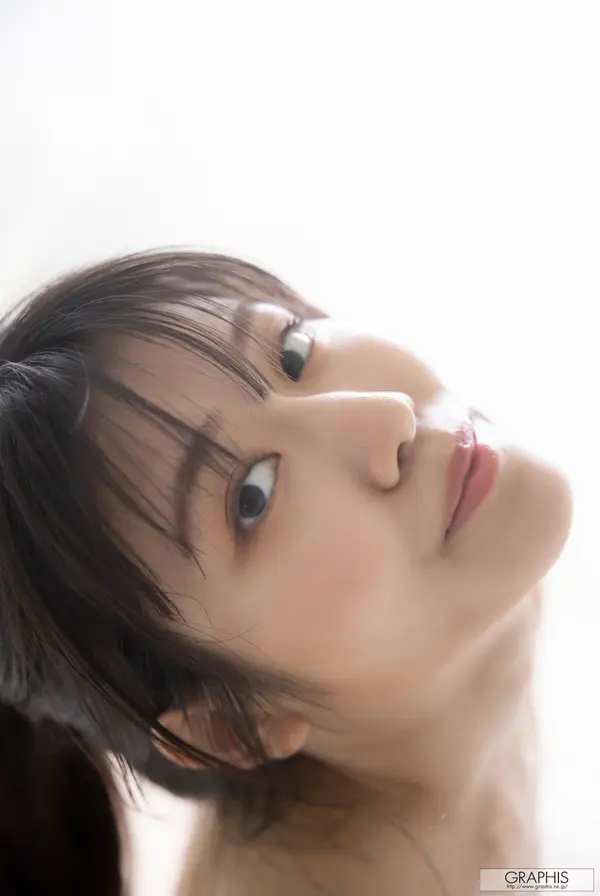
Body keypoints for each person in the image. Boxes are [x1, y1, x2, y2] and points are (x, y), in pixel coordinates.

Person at [0, 249, 572, 896]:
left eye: (292, 353)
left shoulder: (470, 588)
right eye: (254, 497)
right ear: (229, 725)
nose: (387, 413)